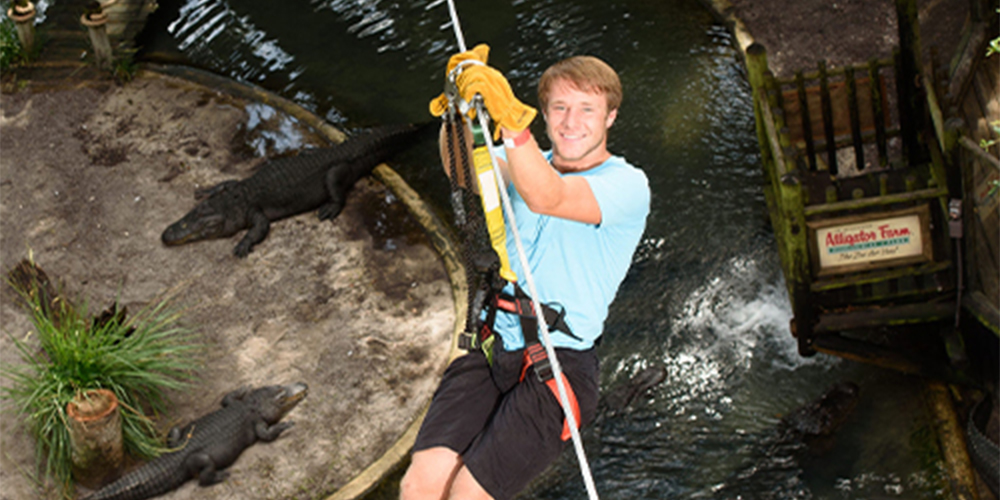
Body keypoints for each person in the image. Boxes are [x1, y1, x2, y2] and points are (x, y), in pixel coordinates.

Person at [401, 45, 650, 500]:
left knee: (467, 497)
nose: (571, 122)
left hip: (560, 363)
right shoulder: (520, 162)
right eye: (559, 107)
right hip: (496, 344)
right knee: (420, 486)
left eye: (586, 109)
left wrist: (513, 126)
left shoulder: (628, 186)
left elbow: (547, 197)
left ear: (610, 117)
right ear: (546, 113)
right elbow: (461, 167)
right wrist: (456, 113)